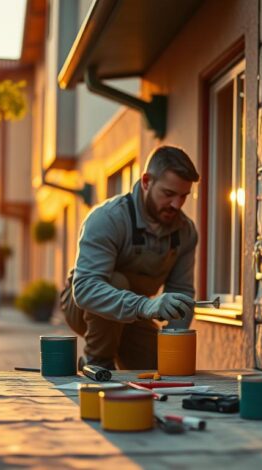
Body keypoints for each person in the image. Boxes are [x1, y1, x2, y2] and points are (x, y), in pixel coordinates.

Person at [64, 145, 199, 370]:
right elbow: (86, 288)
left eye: (183, 196)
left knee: (158, 368)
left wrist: (173, 346)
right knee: (116, 281)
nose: (177, 204)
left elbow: (181, 291)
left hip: (135, 312)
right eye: (169, 194)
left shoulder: (186, 232)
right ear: (146, 182)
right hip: (83, 305)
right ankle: (97, 363)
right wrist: (145, 306)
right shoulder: (107, 218)